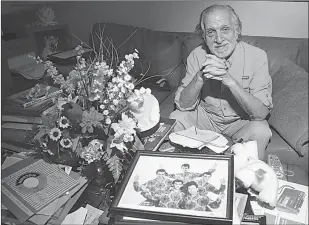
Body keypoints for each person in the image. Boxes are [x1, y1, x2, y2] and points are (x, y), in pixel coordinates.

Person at [169, 4, 273, 160]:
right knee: (175, 119)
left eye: (225, 29)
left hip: (240, 120)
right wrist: (200, 77)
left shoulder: (258, 57)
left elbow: (261, 113)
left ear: (237, 31)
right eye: (211, 32)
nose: (218, 39)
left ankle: (247, 179)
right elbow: (182, 105)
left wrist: (229, 80)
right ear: (204, 36)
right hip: (206, 118)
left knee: (261, 131)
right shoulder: (196, 55)